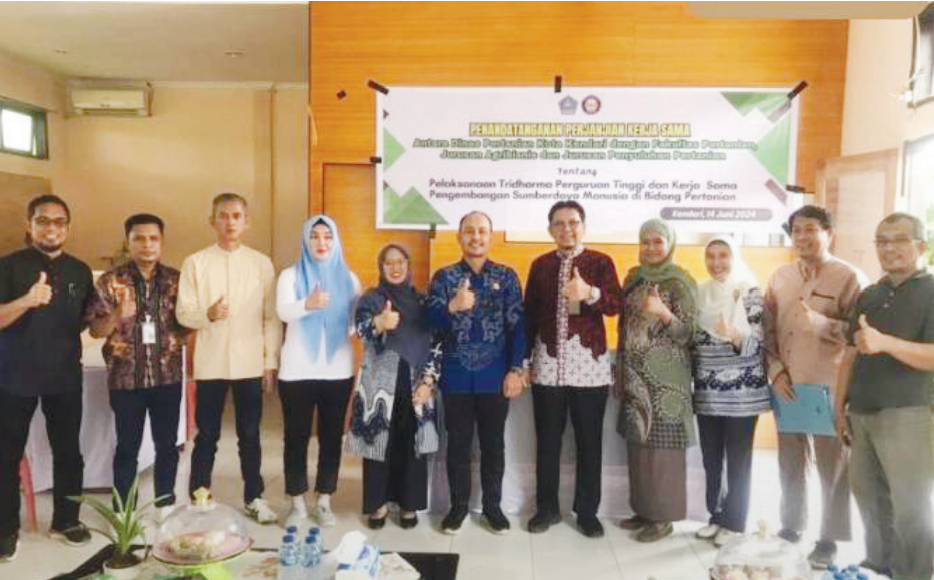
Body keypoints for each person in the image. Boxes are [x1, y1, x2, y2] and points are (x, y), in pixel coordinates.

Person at [763, 204, 865, 568]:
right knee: (790, 464)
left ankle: (829, 539)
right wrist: (775, 372)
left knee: (832, 469)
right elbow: (767, 332)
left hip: (829, 389)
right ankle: (791, 527)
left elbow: (860, 337)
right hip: (788, 386)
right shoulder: (779, 277)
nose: (802, 237)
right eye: (797, 231)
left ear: (828, 233)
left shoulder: (850, 277)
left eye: (810, 229)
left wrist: (823, 324)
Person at [834, 213, 934, 580]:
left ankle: (915, 574)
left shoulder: (931, 291)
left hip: (909, 415)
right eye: (882, 240)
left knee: (911, 509)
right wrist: (838, 407)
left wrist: (886, 343)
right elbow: (849, 355)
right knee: (869, 501)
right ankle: (878, 568)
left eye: (899, 239)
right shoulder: (870, 294)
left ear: (921, 246)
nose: (889, 247)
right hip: (861, 413)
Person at [176, 193, 281, 524]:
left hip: (249, 361)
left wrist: (270, 361)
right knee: (207, 435)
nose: (230, 222)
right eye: (223, 216)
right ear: (212, 221)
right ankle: (199, 496)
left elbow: (270, 317)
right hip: (211, 362)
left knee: (249, 434)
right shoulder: (195, 262)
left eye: (237, 216)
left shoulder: (261, 263)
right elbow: (183, 313)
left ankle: (255, 497)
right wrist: (207, 314)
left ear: (247, 221)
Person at [0, 195, 94, 561]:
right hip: (13, 376)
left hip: (64, 376)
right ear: (30, 225)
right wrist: (26, 300)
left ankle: (67, 521)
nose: (51, 228)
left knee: (69, 452)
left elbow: (91, 322)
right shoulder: (8, 266)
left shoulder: (80, 271)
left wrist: (116, 315)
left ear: (67, 227)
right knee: (5, 456)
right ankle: (6, 529)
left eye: (59, 221)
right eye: (43, 221)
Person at [523, 201, 621, 538]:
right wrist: (522, 363)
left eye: (574, 222)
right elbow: (529, 317)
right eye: (560, 223)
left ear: (584, 226)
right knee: (547, 441)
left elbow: (614, 305)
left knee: (589, 442)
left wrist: (590, 292)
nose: (567, 229)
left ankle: (587, 512)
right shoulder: (539, 266)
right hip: (548, 368)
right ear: (550, 229)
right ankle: (546, 509)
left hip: (590, 369)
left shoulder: (600, 262)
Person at [428, 211, 526, 535]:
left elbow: (518, 328)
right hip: (455, 377)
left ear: (491, 237)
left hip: (495, 377)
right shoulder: (443, 278)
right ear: (459, 237)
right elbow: (430, 326)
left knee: (493, 445)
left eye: (482, 231)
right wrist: (452, 307)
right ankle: (458, 508)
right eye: (469, 231)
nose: (476, 236)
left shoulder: (507, 276)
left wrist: (516, 370)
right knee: (457, 445)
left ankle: (493, 508)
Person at [87, 214, 188, 521]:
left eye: (153, 238)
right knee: (127, 447)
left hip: (166, 377)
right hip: (125, 380)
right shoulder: (110, 281)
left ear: (162, 242)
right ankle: (123, 510)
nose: (147, 245)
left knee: (167, 445)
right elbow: (95, 331)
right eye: (139, 238)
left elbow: (187, 324)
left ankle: (165, 504)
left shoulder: (176, 279)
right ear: (128, 242)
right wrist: (117, 314)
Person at [346, 244, 440, 530]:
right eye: (389, 263)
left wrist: (428, 382)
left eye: (400, 262)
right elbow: (357, 329)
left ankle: (409, 503)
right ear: (381, 267)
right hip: (379, 385)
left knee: (411, 444)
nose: (395, 267)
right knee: (378, 444)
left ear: (408, 265)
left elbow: (437, 343)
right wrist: (379, 321)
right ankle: (378, 503)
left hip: (415, 383)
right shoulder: (372, 299)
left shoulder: (423, 302)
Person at [616, 218, 697, 543]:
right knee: (639, 443)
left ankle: (663, 518)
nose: (651, 248)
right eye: (645, 241)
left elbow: (690, 334)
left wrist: (664, 313)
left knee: (664, 449)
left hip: (667, 381)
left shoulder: (681, 282)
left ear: (670, 244)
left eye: (658, 242)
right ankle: (644, 510)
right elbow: (624, 328)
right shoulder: (634, 279)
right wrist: (620, 368)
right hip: (636, 375)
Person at [276, 215, 360, 527]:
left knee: (330, 438)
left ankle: (324, 499)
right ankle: (296, 503)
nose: (321, 242)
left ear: (335, 240)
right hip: (296, 371)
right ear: (306, 241)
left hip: (337, 370)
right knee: (295, 437)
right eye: (315, 236)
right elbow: (283, 311)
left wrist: (345, 326)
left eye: (327, 236)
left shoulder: (349, 279)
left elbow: (354, 323)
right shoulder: (289, 276)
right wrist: (307, 304)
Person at [691, 236, 770, 547]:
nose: (716, 263)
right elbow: (693, 339)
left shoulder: (750, 293)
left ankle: (735, 524)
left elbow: (757, 344)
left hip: (741, 394)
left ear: (734, 257)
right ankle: (716, 516)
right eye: (711, 256)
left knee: (738, 460)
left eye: (723, 256)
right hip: (707, 391)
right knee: (712, 458)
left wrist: (735, 335)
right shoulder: (700, 292)